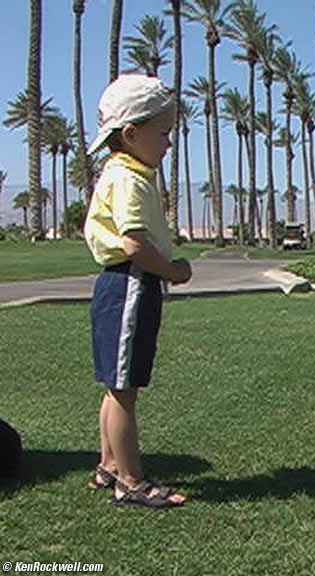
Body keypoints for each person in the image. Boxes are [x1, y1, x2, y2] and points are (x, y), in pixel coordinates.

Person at [84, 74, 191, 508]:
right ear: (131, 133)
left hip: (119, 284)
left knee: (116, 385)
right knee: (123, 389)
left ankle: (109, 466)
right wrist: (171, 271)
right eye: (163, 134)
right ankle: (130, 480)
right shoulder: (129, 178)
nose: (168, 144)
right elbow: (133, 242)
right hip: (131, 282)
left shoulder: (124, 172)